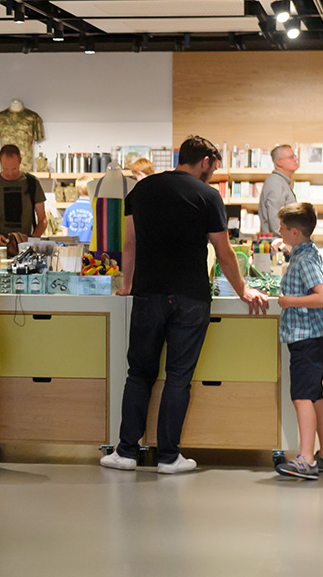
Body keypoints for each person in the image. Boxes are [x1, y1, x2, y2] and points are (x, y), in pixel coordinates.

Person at [102, 135, 268, 475]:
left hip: (148, 294)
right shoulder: (208, 196)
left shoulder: (142, 190)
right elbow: (224, 253)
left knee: (139, 374)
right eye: (213, 168)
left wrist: (128, 284)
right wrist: (243, 291)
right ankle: (168, 457)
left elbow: (129, 243)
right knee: (178, 377)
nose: (212, 175)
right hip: (191, 296)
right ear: (204, 162)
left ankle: (126, 452)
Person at [273, 202, 323, 480]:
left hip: (306, 337)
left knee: (301, 397)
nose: (279, 231)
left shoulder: (305, 260)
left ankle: (305, 459)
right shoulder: (304, 252)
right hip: (313, 336)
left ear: (295, 231)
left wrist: (290, 301)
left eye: (283, 228)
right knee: (315, 396)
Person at [0, 144, 47, 243]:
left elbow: (42, 219)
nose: (10, 173)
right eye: (6, 169)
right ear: (0, 162)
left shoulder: (32, 183)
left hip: (25, 245)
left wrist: (33, 239)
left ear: (20, 161)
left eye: (14, 169)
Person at [259, 144, 299, 235]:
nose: (295, 160)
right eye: (291, 157)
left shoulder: (281, 182)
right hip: (278, 245)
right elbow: (275, 220)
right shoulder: (276, 183)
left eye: (295, 156)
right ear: (279, 162)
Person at [60, 178, 94, 243]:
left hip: (73, 247)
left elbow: (65, 233)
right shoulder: (95, 209)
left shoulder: (69, 209)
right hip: (90, 247)